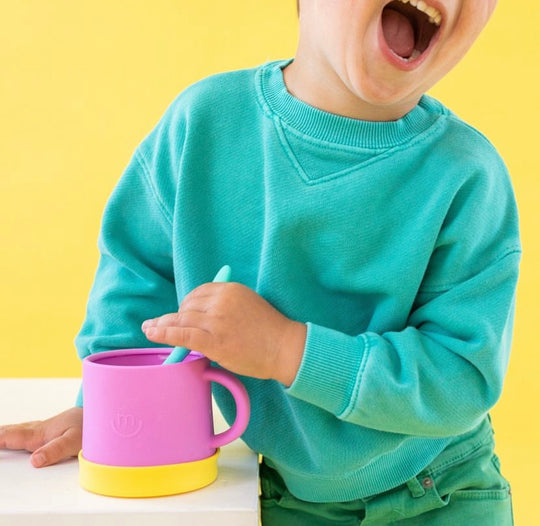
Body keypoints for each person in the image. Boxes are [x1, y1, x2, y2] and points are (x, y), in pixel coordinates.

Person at [0, 0, 520, 524]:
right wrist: (109, 409)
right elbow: (140, 278)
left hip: (440, 491)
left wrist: (288, 349)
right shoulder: (203, 125)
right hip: (280, 495)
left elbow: (461, 376)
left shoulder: (469, 177)